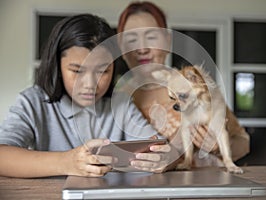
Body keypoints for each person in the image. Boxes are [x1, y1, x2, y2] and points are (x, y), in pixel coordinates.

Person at [0, 14, 179, 178]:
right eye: (77, 71)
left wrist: (168, 158)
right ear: (58, 67)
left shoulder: (120, 104)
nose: (90, 84)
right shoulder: (33, 102)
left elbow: (163, 149)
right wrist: (66, 163)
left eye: (103, 71)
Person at [117, 1, 250, 166]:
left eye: (151, 37)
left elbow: (243, 142)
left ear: (167, 41)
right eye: (132, 39)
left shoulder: (195, 86)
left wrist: (218, 147)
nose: (142, 49)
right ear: (121, 47)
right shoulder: (116, 99)